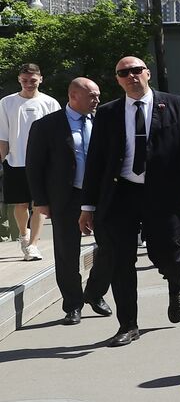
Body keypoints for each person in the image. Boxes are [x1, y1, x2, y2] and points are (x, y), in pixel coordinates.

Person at [78, 57, 180, 347]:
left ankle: (176, 282)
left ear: (147, 73)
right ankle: (127, 325)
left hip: (164, 195)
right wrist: (88, 206)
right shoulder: (108, 113)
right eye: (124, 73)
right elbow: (95, 161)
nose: (131, 76)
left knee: (166, 254)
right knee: (121, 260)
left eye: (136, 70)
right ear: (118, 79)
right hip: (121, 194)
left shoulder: (174, 104)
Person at [27, 78, 109, 324]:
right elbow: (34, 166)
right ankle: (72, 304)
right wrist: (41, 200)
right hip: (66, 196)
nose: (97, 100)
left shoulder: (104, 121)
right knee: (66, 252)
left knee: (111, 246)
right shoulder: (47, 126)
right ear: (73, 95)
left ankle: (95, 292)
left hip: (101, 195)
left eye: (98, 95)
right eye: (92, 95)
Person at [0, 63, 61, 260]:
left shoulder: (50, 103)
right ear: (19, 79)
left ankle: (34, 244)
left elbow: (57, 134)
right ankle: (24, 236)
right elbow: (3, 136)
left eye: (33, 80)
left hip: (43, 162)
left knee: (40, 203)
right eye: (25, 80)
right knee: (20, 204)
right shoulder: (6, 103)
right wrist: (4, 159)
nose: (29, 84)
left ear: (40, 79)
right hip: (16, 161)